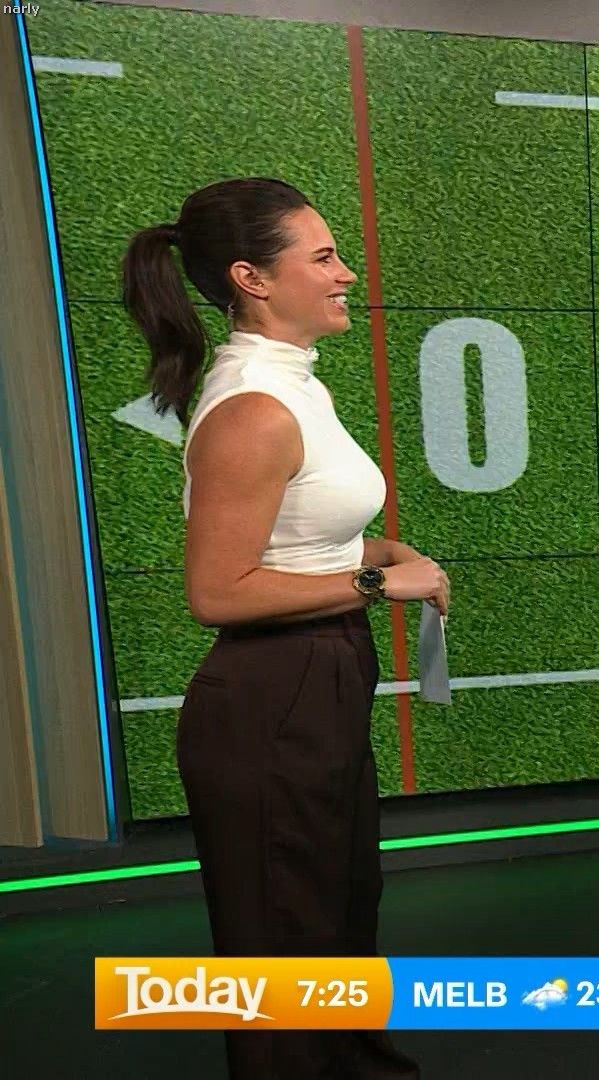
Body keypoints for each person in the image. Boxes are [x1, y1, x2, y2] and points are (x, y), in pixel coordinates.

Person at [121, 177, 448, 1078]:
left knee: (338, 918)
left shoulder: (294, 387)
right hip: (271, 699)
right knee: (285, 947)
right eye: (325, 257)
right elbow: (218, 591)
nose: (347, 274)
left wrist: (384, 550)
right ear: (252, 278)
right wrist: (376, 583)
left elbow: (303, 534)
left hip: (319, 683)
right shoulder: (254, 408)